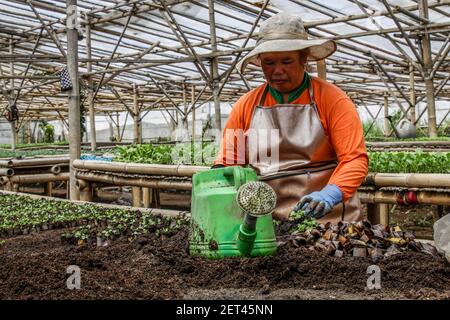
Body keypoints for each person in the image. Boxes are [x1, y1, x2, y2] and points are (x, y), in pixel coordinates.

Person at [212, 13, 369, 224]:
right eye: (269, 63)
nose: (277, 71)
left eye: (287, 61)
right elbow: (229, 162)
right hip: (267, 220)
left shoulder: (332, 99)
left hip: (328, 219)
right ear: (259, 63)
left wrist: (330, 194)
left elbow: (354, 159)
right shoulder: (246, 105)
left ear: (304, 58)